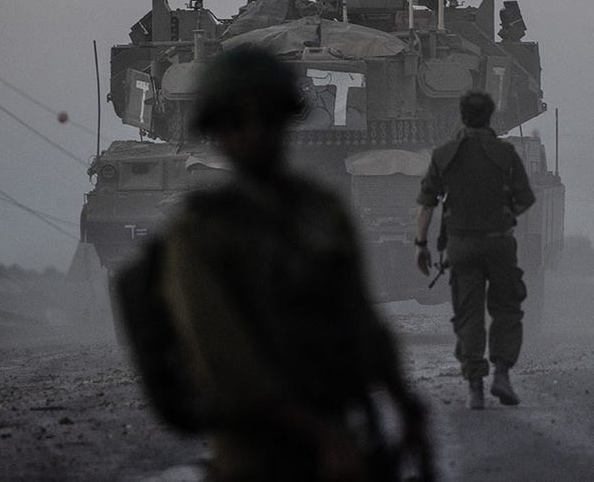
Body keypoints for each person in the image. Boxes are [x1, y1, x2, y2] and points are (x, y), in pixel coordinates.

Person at [142, 47, 430, 481]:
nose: (255, 132)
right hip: (254, 454)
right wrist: (325, 437)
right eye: (236, 121)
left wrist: (404, 402)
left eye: (269, 117)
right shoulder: (201, 231)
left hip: (341, 431)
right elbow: (226, 362)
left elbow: (361, 319)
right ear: (217, 130)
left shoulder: (321, 210)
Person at [415, 90, 536, 410]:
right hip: (499, 242)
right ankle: (502, 373)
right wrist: (505, 215)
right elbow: (526, 198)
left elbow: (427, 205)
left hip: (461, 245)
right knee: (507, 309)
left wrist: (421, 244)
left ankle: (475, 388)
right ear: (491, 116)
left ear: (461, 115)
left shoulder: (443, 155)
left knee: (468, 315)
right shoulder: (506, 153)